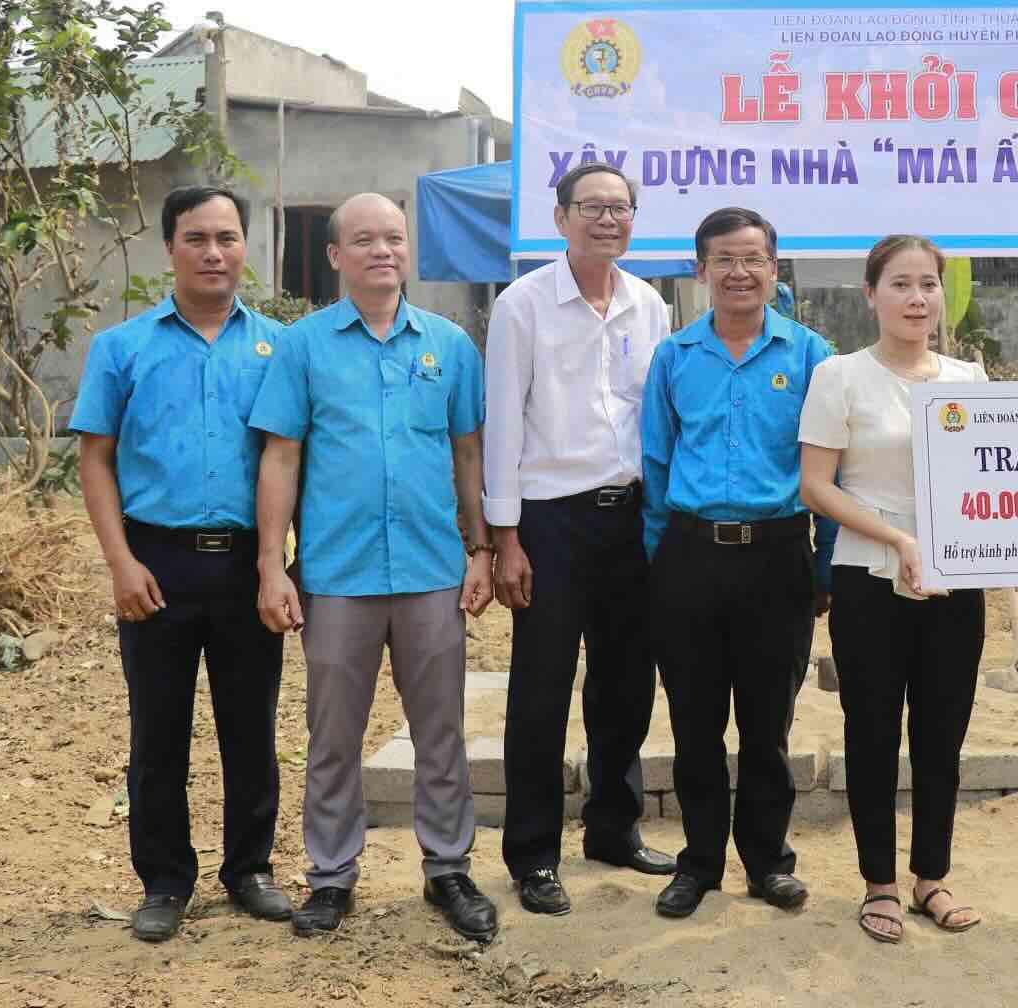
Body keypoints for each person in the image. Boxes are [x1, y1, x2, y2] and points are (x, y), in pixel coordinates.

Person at [249, 192, 500, 942]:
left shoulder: (449, 344)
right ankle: (330, 878)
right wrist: (272, 564)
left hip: (430, 571)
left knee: (441, 733)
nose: (382, 251)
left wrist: (480, 548)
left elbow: (466, 453)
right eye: (364, 240)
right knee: (332, 735)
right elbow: (282, 456)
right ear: (335, 256)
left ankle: (448, 870)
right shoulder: (303, 347)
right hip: (336, 574)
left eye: (393, 238)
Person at [70, 186, 290, 942]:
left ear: (244, 248)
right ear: (169, 247)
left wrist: (276, 565)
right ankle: (164, 879)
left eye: (227, 237)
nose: (213, 252)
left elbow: (287, 460)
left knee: (250, 725)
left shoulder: (277, 348)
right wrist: (120, 563)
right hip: (155, 562)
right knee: (157, 731)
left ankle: (249, 868)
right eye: (196, 238)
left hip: (246, 564)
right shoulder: (123, 348)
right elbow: (94, 459)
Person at [483, 164, 676, 918]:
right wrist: (506, 538)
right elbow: (502, 421)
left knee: (627, 682)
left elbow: (652, 417)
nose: (607, 219)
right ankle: (532, 854)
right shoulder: (522, 305)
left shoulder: (647, 303)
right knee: (540, 690)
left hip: (630, 517)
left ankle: (613, 828)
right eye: (591, 207)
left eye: (620, 208)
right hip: (550, 522)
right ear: (560, 216)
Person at [639, 206, 834, 919]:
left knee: (767, 725)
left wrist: (824, 568)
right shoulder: (676, 357)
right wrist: (662, 557)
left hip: (778, 557)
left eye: (753, 258)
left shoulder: (811, 356)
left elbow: (828, 470)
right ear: (701, 270)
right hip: (689, 556)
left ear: (773, 269)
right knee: (693, 724)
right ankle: (698, 863)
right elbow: (655, 463)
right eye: (723, 259)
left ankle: (768, 862)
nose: (739, 272)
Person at [798, 234, 988, 944]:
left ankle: (931, 877)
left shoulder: (969, 380)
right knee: (872, 731)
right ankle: (879, 883)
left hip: (954, 583)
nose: (917, 298)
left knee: (943, 733)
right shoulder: (839, 377)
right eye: (901, 284)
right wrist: (899, 540)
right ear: (871, 294)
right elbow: (816, 485)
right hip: (868, 576)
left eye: (928, 285)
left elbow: (996, 481)